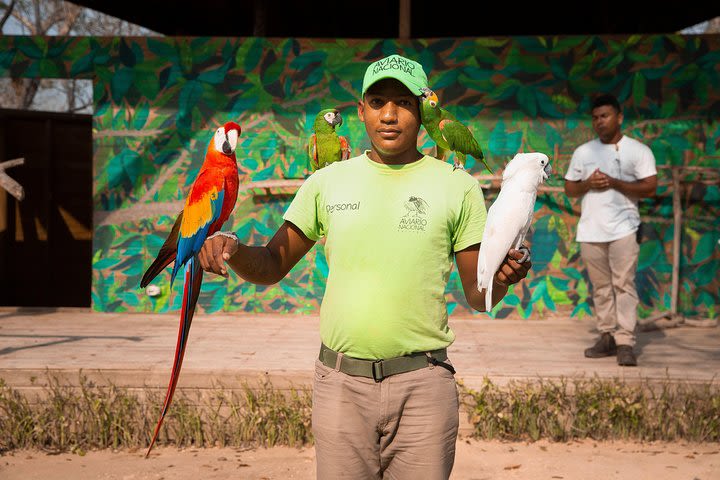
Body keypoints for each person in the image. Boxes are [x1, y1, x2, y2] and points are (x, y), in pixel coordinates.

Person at [198, 54, 531, 479]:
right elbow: (270, 263)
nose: (389, 115)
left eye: (403, 103)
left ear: (423, 108)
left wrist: (502, 277)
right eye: (377, 102)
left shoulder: (457, 185)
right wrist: (232, 247)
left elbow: (479, 294)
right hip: (341, 387)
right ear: (360, 111)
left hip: (424, 387)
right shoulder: (326, 181)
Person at [564, 93, 657, 367]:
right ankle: (606, 336)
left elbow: (650, 187)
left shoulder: (638, 151)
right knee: (601, 287)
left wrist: (615, 182)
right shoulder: (584, 152)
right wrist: (588, 184)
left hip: (624, 228)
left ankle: (625, 341)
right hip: (591, 230)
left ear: (619, 117)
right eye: (595, 118)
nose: (599, 122)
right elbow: (570, 188)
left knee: (624, 284)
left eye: (604, 116)